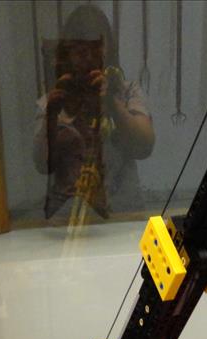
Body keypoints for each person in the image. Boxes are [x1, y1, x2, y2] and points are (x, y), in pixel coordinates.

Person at [33, 5, 154, 220]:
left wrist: (111, 104)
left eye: (95, 49)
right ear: (68, 54)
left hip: (125, 213)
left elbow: (144, 146)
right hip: (69, 217)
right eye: (80, 51)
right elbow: (42, 164)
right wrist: (54, 114)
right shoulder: (55, 98)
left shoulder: (126, 92)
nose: (87, 59)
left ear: (108, 51)